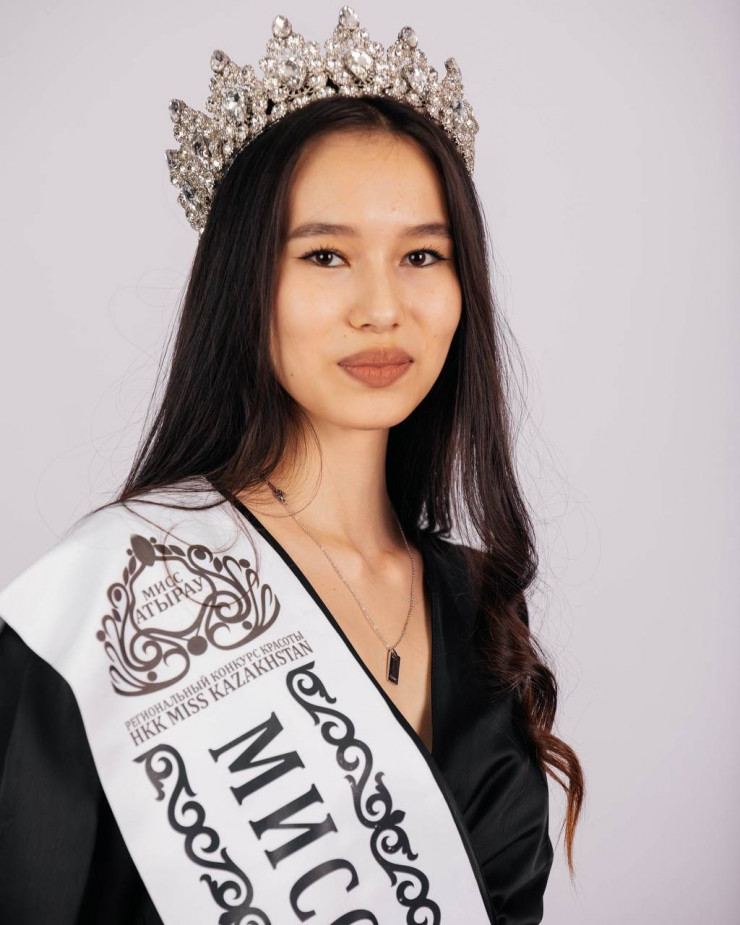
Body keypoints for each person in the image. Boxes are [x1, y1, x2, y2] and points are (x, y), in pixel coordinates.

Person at [0, 7, 584, 924]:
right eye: (325, 255)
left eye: (422, 254)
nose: (382, 307)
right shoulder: (108, 602)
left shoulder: (478, 603)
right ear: (244, 284)